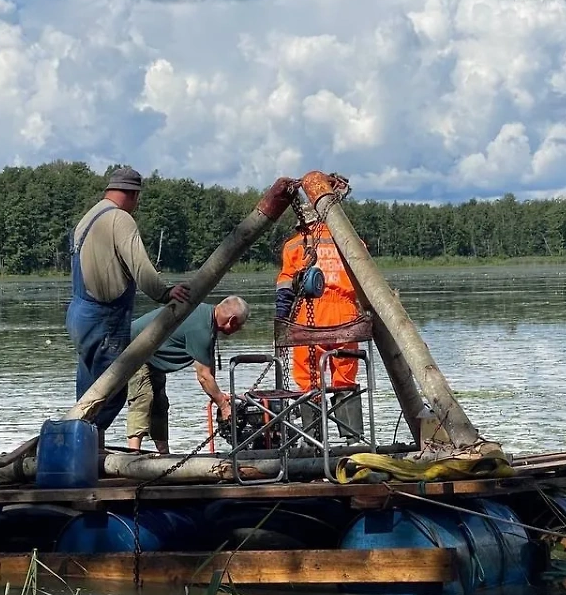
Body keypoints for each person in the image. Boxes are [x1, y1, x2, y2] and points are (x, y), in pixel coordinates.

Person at [65, 167, 191, 431]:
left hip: (79, 316)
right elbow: (140, 267)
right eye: (137, 199)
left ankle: (89, 451)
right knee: (111, 390)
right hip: (104, 319)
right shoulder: (119, 219)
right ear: (133, 195)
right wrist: (165, 292)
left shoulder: (87, 219)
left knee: (88, 394)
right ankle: (85, 446)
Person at [126, 296, 249, 454]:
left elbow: (208, 367)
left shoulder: (208, 319)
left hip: (153, 356)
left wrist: (219, 395)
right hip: (134, 349)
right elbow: (203, 377)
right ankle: (132, 454)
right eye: (239, 325)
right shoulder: (201, 328)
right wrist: (224, 406)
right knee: (143, 398)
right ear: (232, 321)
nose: (238, 329)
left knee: (160, 403)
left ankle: (163, 453)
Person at [274, 202, 361, 392]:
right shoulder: (351, 241)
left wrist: (282, 318)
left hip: (309, 316)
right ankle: (348, 417)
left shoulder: (293, 246)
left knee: (309, 380)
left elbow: (285, 287)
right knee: (345, 379)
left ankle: (313, 418)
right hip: (346, 316)